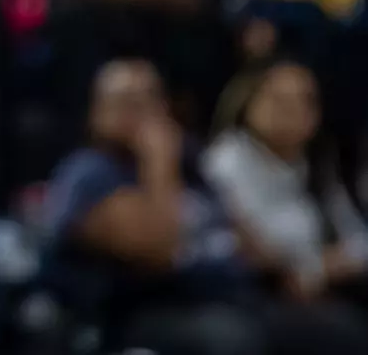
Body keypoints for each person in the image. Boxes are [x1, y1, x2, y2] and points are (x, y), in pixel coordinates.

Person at [43, 58, 368, 355]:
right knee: (233, 341)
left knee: (341, 329)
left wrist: (289, 276)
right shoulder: (89, 173)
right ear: (97, 111)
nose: (140, 112)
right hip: (149, 309)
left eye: (149, 99)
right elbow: (159, 251)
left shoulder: (190, 165)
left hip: (234, 296)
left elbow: (237, 230)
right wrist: (158, 163)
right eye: (126, 101)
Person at [203, 59, 368, 304]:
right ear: (249, 102)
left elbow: (358, 238)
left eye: (305, 101)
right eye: (279, 100)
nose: (292, 111)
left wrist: (319, 269)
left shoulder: (316, 162)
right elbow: (254, 246)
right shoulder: (227, 160)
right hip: (254, 291)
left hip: (318, 286)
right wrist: (314, 267)